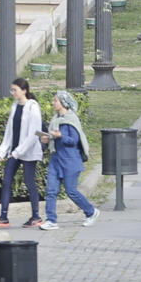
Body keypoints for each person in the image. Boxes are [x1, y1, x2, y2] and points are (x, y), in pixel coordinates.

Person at [0, 77, 45, 228]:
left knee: (29, 182)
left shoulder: (33, 107)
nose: (12, 93)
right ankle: (3, 217)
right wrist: (3, 150)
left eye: (15, 90)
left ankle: (36, 216)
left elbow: (35, 133)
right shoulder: (15, 106)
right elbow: (10, 130)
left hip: (27, 153)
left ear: (24, 91)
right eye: (12, 90)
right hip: (14, 152)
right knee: (7, 181)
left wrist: (18, 151)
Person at [41, 91, 98, 229]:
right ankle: (51, 220)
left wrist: (60, 136)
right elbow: (54, 138)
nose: (52, 103)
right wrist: (47, 139)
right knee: (51, 190)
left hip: (70, 160)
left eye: (55, 100)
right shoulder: (55, 119)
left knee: (71, 191)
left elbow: (74, 141)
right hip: (56, 159)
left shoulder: (71, 119)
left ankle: (91, 212)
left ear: (63, 103)